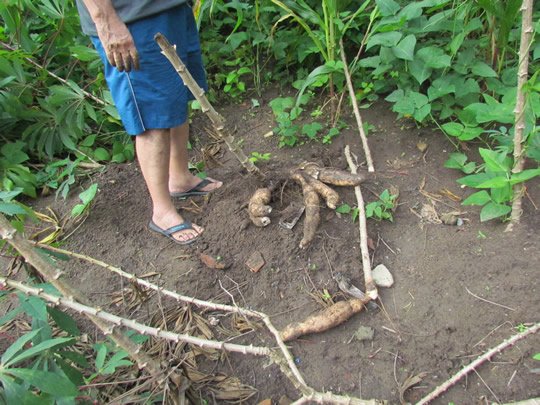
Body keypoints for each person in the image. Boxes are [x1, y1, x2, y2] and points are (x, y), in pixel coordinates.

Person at [75, 0, 222, 245]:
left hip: (168, 8)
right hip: (129, 18)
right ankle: (162, 212)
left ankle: (180, 178)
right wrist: (106, 19)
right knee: (152, 114)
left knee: (178, 93)